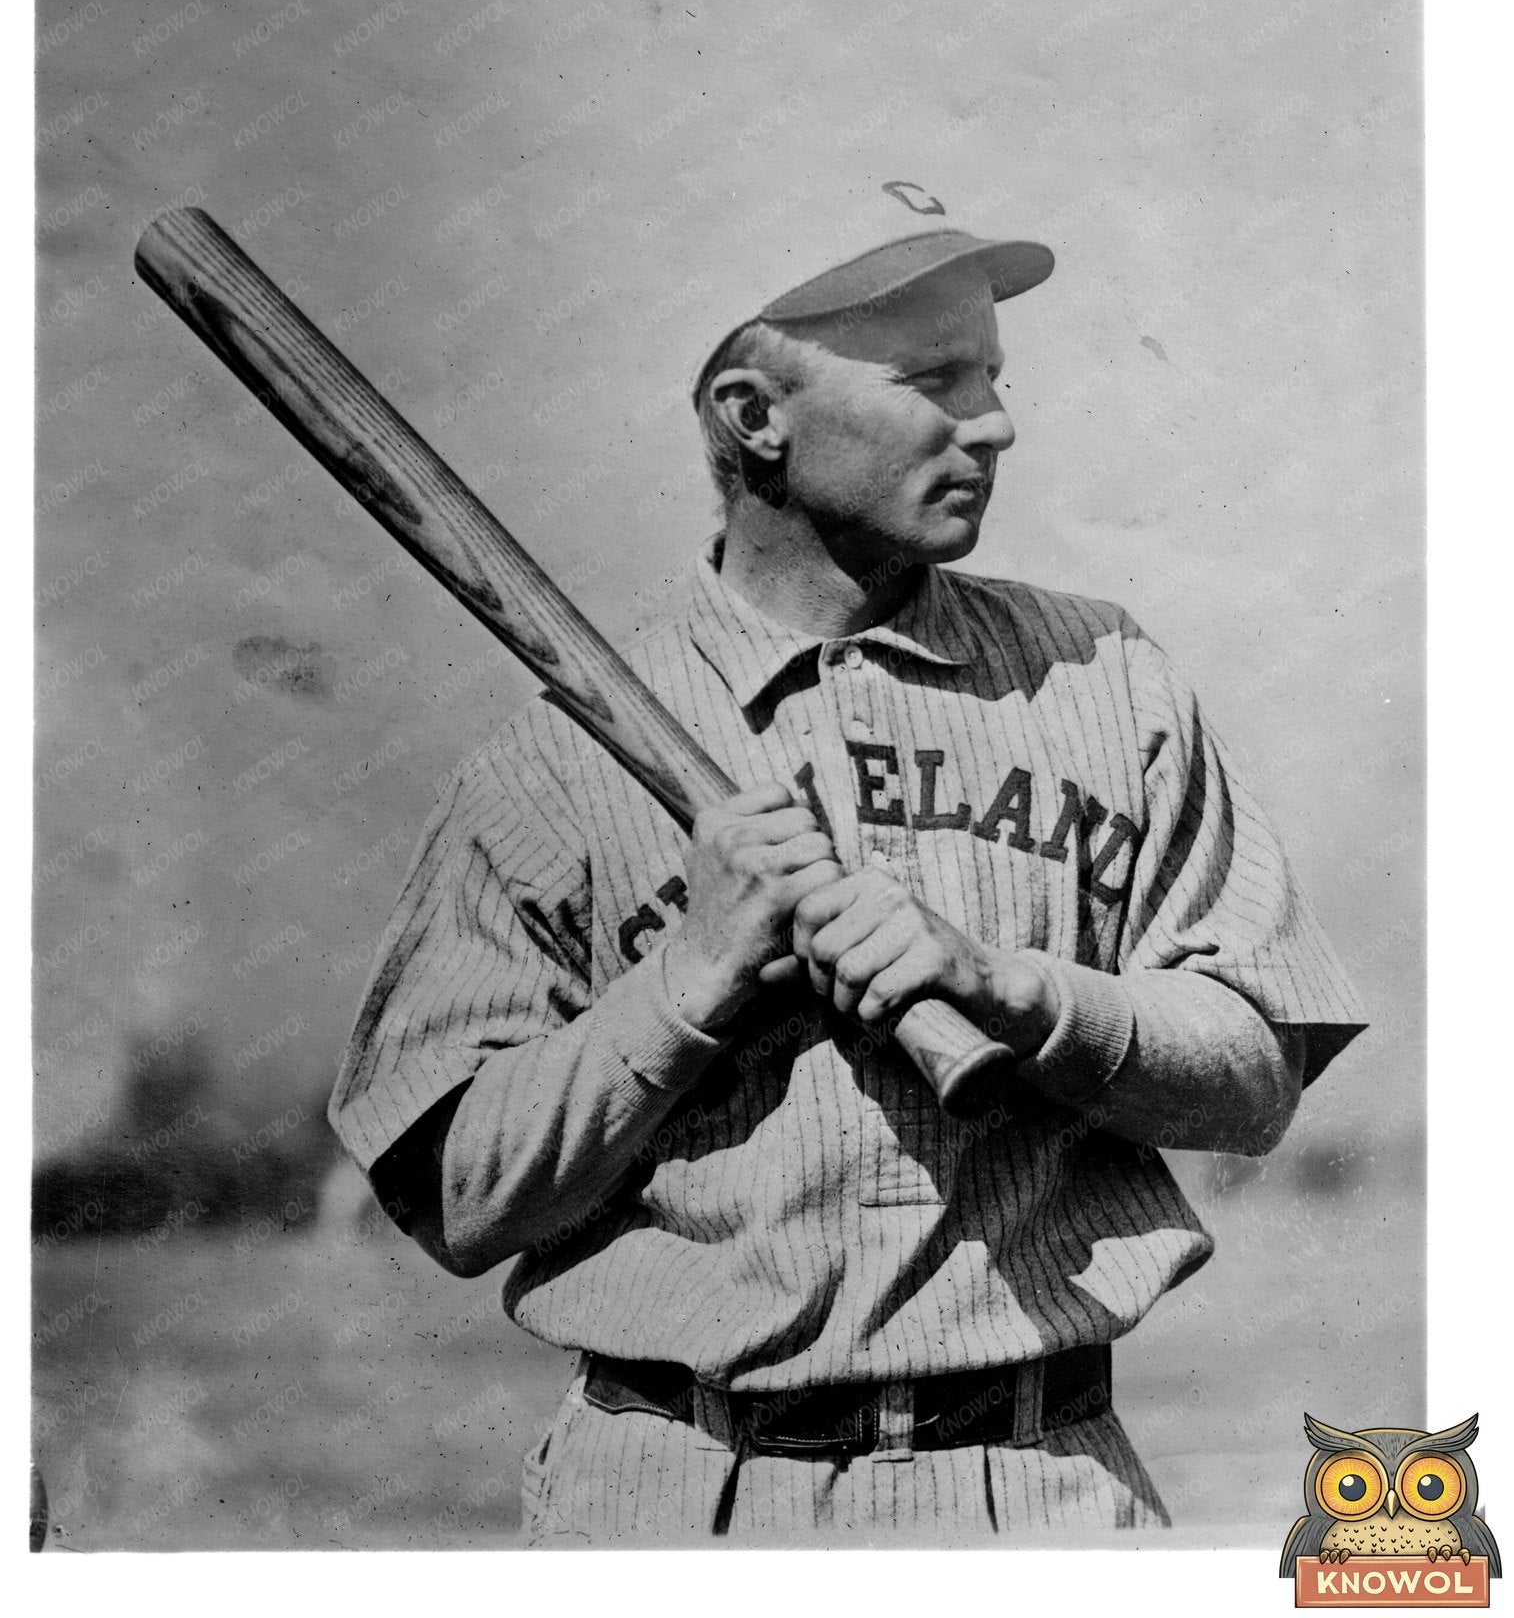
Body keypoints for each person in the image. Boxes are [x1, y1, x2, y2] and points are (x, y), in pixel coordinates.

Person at [328, 224, 1366, 1544]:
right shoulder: (554, 759)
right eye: (933, 381)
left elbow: (1254, 1077)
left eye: (989, 379)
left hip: (1035, 1483)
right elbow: (456, 1201)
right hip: (680, 1497)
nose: (991, 426)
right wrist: (690, 979)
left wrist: (1019, 995)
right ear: (752, 415)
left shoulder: (1102, 677)